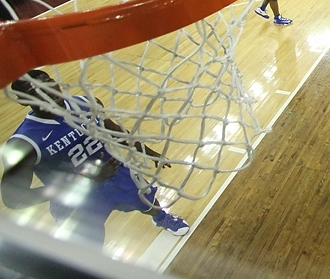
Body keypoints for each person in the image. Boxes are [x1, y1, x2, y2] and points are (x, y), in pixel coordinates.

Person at [2, 69, 190, 247]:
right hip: (74, 196)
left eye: (49, 84)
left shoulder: (86, 103)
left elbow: (114, 131)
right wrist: (83, 179)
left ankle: (161, 218)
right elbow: (13, 199)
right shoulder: (24, 142)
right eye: (36, 92)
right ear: (23, 100)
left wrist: (147, 152)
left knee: (147, 201)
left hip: (115, 174)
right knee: (89, 248)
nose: (48, 93)